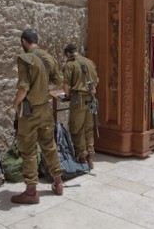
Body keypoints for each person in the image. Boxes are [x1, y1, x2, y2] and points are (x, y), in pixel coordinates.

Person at [11, 29, 64, 205]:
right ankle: (58, 183)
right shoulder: (49, 57)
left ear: (24, 41)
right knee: (49, 145)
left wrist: (16, 103)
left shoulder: (25, 58)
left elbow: (23, 88)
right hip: (45, 109)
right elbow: (57, 81)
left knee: (29, 150)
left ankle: (31, 191)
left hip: (30, 111)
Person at [62, 44, 99, 169]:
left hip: (78, 99)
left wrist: (67, 95)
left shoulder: (70, 64)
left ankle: (82, 157)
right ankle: (90, 156)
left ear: (67, 53)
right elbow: (96, 81)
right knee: (88, 127)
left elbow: (66, 85)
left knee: (76, 127)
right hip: (90, 98)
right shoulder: (90, 62)